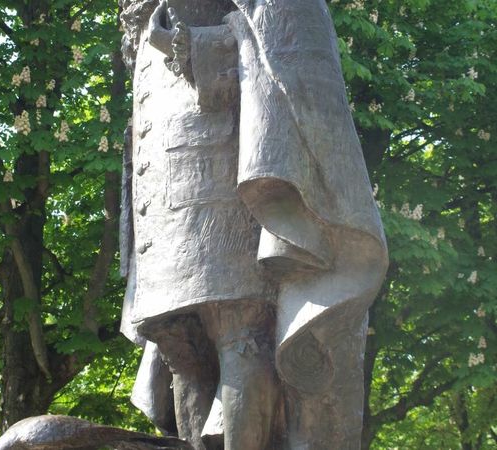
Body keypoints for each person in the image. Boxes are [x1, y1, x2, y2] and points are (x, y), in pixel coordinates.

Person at [119, 1, 388, 448]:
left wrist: (198, 47)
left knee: (240, 335)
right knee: (180, 347)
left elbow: (285, 35)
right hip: (161, 188)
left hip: (227, 169)